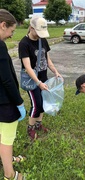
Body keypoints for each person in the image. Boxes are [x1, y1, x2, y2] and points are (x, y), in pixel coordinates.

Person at [18, 16, 63, 140]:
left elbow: (47, 60)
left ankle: (38, 124)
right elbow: (27, 67)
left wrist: (55, 71)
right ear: (31, 28)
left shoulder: (42, 40)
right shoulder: (24, 43)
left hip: (43, 77)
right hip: (32, 80)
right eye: (38, 32)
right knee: (36, 104)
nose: (39, 35)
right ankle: (30, 128)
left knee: (43, 102)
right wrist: (38, 83)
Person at [0, 9, 26, 180]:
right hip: (4, 102)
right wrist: (19, 103)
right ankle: (10, 174)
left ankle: (6, 160)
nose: (11, 34)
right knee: (7, 138)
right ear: (3, 25)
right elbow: (7, 79)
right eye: (11, 30)